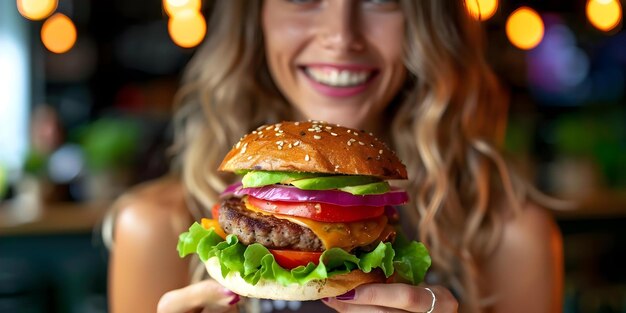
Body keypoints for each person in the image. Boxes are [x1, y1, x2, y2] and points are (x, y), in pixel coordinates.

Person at [107, 1, 564, 312]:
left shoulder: (511, 237)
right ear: (257, 17)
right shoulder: (151, 228)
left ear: (426, 21)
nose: (341, 36)